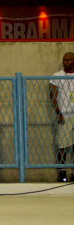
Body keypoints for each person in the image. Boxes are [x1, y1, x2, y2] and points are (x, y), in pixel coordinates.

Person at [49, 52, 74, 182]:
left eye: (68, 60)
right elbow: (52, 95)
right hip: (65, 115)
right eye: (64, 60)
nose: (65, 62)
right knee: (62, 146)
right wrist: (58, 112)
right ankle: (62, 172)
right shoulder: (57, 76)